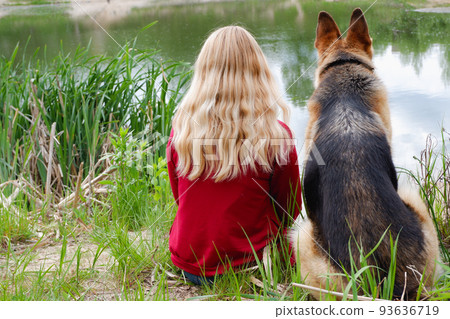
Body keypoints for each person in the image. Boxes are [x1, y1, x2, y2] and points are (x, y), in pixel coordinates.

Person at [166, 26, 301, 285]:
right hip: (252, 265)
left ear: (204, 74)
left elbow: (179, 198)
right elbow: (289, 210)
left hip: (190, 265)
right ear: (258, 73)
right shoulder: (276, 135)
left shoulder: (182, 129)